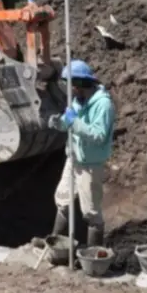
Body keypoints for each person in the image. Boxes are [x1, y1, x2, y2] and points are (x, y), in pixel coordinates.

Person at [48, 59, 116, 248]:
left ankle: (93, 253)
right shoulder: (78, 101)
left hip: (90, 164)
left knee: (91, 212)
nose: (68, 90)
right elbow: (68, 122)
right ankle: (55, 246)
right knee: (63, 201)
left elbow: (98, 135)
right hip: (73, 159)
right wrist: (59, 123)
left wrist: (74, 122)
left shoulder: (103, 105)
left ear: (79, 84)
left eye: (70, 85)